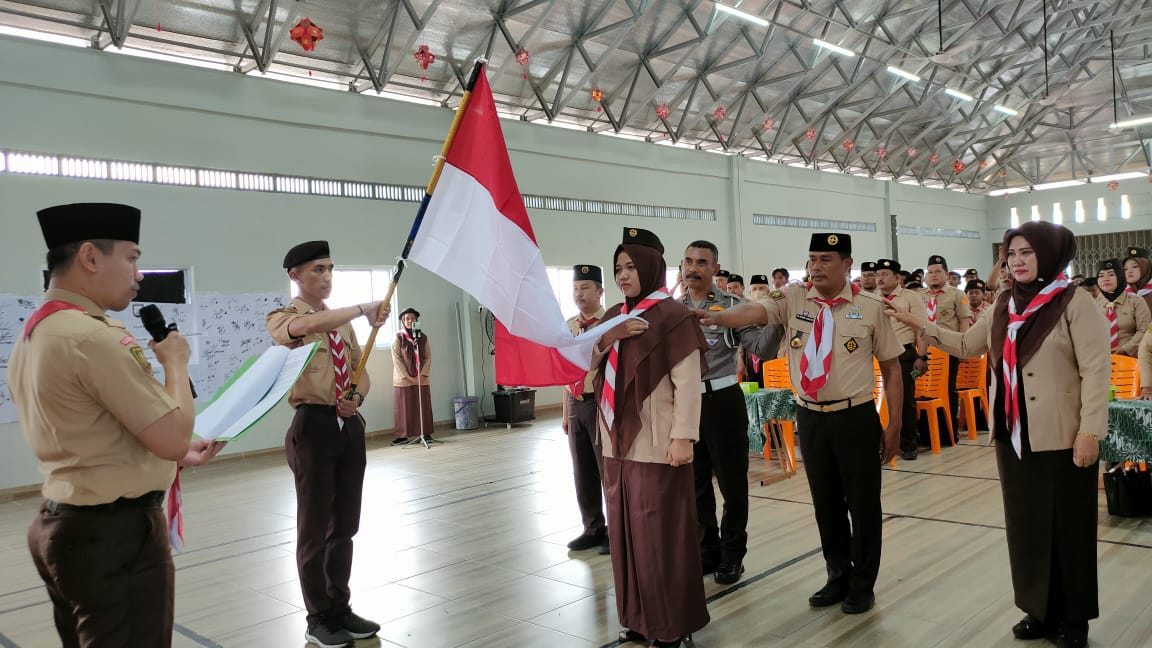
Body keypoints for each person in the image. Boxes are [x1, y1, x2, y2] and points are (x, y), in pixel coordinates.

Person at [886, 221, 1108, 648]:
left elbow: (1096, 371)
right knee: (1025, 529)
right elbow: (969, 345)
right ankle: (1039, 610)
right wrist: (922, 325)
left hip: (1062, 436)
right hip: (1012, 435)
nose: (1017, 261)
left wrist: (1090, 431)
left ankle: (1074, 617)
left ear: (1050, 254)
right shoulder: (1004, 303)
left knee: (1069, 530)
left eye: (1027, 252)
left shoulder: (1074, 302)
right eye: (1011, 253)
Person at [11, 202, 218, 648]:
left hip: (63, 523)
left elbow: (90, 430)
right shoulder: (91, 338)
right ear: (89, 257)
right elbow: (171, 435)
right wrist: (176, 364)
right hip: (112, 536)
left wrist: (181, 452)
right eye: (132, 258)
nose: (139, 273)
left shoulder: (37, 332)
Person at [698, 233, 903, 615]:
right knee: (825, 505)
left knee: (862, 505)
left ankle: (863, 584)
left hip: (856, 416)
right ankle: (837, 575)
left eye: (826, 259)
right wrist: (715, 316)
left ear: (847, 264)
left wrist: (893, 426)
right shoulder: (793, 298)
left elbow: (892, 369)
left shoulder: (871, 307)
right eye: (812, 259)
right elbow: (755, 312)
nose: (816, 266)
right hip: (810, 416)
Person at [266, 240, 389, 648]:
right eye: (317, 270)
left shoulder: (342, 324)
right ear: (294, 276)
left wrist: (358, 396)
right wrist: (361, 308)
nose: (326, 277)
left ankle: (339, 607)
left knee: (346, 524)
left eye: (330, 269)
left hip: (347, 425)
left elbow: (359, 369)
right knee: (314, 528)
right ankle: (317, 616)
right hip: (314, 426)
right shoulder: (282, 317)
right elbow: (301, 330)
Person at [594, 227, 709, 647]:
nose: (623, 275)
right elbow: (585, 364)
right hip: (614, 443)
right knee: (625, 534)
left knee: (661, 538)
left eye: (630, 267)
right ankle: (637, 618)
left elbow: (689, 385)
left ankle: (672, 625)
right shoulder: (613, 317)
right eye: (618, 268)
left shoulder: (673, 317)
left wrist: (684, 437)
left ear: (651, 267)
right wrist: (611, 336)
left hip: (658, 444)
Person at [680, 241, 782, 584]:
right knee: (694, 486)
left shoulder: (733, 306)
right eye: (689, 261)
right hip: (684, 404)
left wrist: (778, 322)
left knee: (732, 485)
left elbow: (760, 348)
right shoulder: (670, 308)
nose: (693, 268)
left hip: (723, 400)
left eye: (702, 262)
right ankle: (705, 551)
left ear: (715, 268)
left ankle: (732, 555)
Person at [562, 264, 609, 554]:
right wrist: (565, 411)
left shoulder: (610, 324)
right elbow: (563, 371)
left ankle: (615, 530)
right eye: (576, 288)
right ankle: (592, 527)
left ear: (600, 291)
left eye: (586, 287)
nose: (579, 294)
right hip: (575, 404)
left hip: (601, 403)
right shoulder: (568, 326)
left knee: (608, 469)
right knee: (582, 470)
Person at [876, 258, 929, 460]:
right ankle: (880, 441)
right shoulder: (871, 297)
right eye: (877, 274)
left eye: (884, 275)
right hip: (875, 356)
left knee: (904, 401)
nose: (879, 278)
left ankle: (908, 444)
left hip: (903, 355)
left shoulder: (910, 298)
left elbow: (921, 328)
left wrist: (922, 356)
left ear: (897, 277)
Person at [923, 255, 971, 436]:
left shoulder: (957, 294)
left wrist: (963, 348)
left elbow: (964, 322)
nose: (933, 275)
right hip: (925, 350)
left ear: (946, 274)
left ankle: (949, 430)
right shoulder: (921, 296)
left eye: (937, 272)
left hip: (947, 349)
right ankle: (928, 431)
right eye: (930, 272)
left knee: (948, 389)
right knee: (925, 390)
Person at [392, 307, 434, 444]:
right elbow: (396, 359)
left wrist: (422, 374)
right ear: (402, 321)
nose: (410, 321)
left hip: (421, 378)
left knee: (423, 406)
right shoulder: (398, 338)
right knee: (404, 407)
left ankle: (425, 434)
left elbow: (428, 357)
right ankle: (402, 436)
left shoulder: (423, 337)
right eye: (407, 318)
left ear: (417, 321)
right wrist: (407, 377)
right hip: (403, 379)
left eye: (413, 318)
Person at [1094, 259, 1150, 357]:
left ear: (1120, 276)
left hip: (1132, 359)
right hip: (1100, 359)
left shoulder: (1136, 301)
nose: (1105, 279)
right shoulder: (1092, 305)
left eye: (1111, 274)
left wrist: (1125, 349)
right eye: (1101, 275)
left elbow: (1144, 330)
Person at [1121, 246, 1152, 312]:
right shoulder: (1121, 295)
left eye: (1134, 266)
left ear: (1145, 268)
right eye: (1125, 269)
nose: (1129, 271)